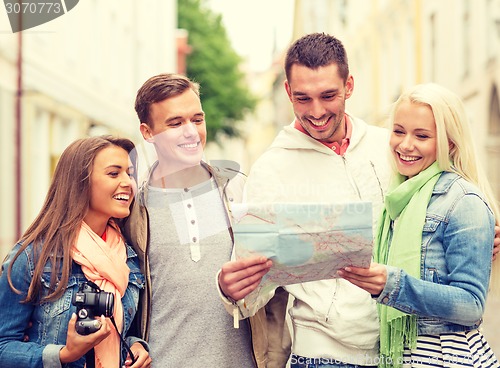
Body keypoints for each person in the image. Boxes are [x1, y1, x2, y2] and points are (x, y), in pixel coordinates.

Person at [218, 32, 500, 368]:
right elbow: (255, 287)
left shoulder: (392, 147)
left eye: (328, 95)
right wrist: (231, 290)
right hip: (324, 355)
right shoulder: (271, 169)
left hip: (401, 351)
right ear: (288, 92)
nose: (317, 111)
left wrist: (477, 238)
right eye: (303, 98)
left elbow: (435, 218)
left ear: (349, 86)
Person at [123, 73, 289, 367]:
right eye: (175, 123)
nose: (191, 132)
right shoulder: (133, 209)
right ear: (148, 132)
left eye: (197, 119)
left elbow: (274, 285)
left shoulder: (236, 190)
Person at [338, 83, 500, 368]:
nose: (405, 145)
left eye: (422, 135)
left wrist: (394, 285)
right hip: (402, 356)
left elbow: (472, 305)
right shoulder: (398, 198)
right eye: (399, 131)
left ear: (449, 143)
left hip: (448, 356)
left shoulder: (464, 201)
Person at [0, 136, 151, 368]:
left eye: (129, 174)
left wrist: (135, 345)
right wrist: (64, 354)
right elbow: (3, 346)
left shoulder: (128, 258)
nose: (128, 183)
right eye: (114, 173)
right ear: (80, 182)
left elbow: (120, 328)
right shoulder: (32, 258)